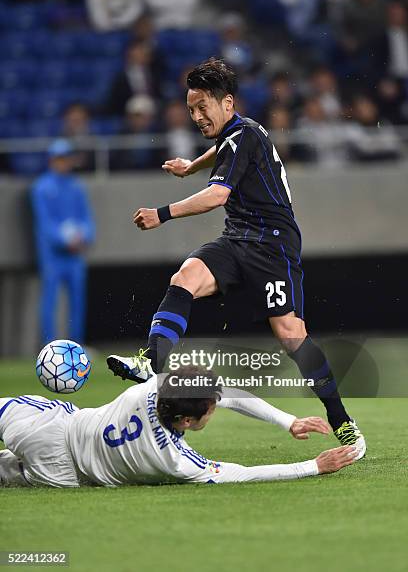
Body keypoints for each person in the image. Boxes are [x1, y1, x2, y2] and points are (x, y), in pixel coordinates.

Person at [107, 59, 366, 457]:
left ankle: (341, 420)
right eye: (191, 109)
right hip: (238, 237)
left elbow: (217, 196)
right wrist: (190, 166)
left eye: (202, 106)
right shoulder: (238, 133)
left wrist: (162, 213)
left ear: (227, 102)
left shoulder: (243, 135)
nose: (196, 116)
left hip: (273, 246)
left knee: (291, 336)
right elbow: (219, 152)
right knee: (185, 277)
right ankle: (151, 360)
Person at [0, 367, 358, 487]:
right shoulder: (176, 460)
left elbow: (227, 395)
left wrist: (288, 421)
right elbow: (243, 474)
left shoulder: (153, 387)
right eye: (211, 410)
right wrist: (313, 465)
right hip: (61, 473)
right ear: (186, 421)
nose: (217, 409)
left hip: (48, 426)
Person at [31, 139, 95, 344]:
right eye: (59, 158)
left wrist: (83, 235)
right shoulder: (41, 187)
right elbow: (44, 222)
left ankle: (76, 345)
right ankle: (48, 346)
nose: (63, 162)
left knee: (78, 301)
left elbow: (86, 218)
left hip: (74, 254)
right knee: (50, 300)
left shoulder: (76, 187)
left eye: (66, 158)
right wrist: (65, 238)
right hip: (52, 255)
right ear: (51, 160)